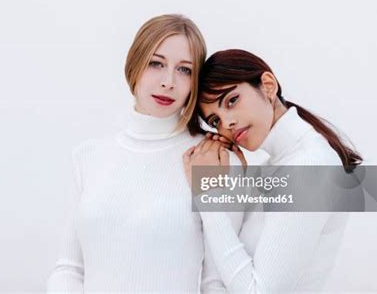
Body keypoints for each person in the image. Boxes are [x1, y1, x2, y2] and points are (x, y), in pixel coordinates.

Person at [46, 15, 255, 293]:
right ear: (135, 64)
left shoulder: (212, 158)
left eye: (184, 70)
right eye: (156, 63)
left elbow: (216, 283)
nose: (168, 82)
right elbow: (69, 269)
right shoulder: (89, 156)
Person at [183, 49, 363, 293]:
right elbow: (216, 282)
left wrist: (206, 198)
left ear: (268, 85)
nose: (227, 124)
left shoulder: (310, 166)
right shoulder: (275, 167)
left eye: (232, 100)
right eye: (215, 121)